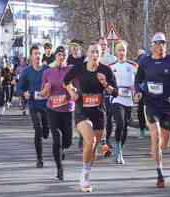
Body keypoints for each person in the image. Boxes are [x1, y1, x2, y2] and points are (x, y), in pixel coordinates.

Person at [135, 32, 170, 188]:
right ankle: (159, 173)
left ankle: (157, 150)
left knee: (164, 144)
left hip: (167, 106)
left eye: (163, 43)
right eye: (157, 43)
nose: (160, 46)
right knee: (155, 136)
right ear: (152, 45)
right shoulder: (145, 62)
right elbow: (138, 80)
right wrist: (138, 91)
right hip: (150, 103)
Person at [63, 43, 117, 192]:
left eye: (97, 52)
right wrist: (72, 91)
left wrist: (105, 83)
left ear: (101, 54)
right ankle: (85, 174)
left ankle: (87, 170)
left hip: (99, 112)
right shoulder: (79, 68)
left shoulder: (106, 70)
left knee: (93, 148)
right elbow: (65, 81)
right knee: (90, 140)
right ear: (88, 53)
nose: (95, 55)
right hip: (82, 110)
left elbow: (115, 92)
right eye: (92, 52)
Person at [41, 46, 74, 180]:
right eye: (59, 55)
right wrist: (46, 89)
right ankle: (60, 170)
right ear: (56, 57)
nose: (61, 57)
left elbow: (78, 89)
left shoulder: (72, 70)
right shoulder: (48, 72)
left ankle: (63, 149)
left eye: (64, 55)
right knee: (57, 139)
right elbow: (43, 94)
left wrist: (72, 89)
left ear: (66, 56)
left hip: (67, 109)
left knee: (67, 141)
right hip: (52, 109)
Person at [16, 45, 50, 168]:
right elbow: (18, 88)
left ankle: (46, 130)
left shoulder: (47, 70)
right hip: (33, 104)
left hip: (46, 105)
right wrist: (23, 93)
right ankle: (39, 159)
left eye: (39, 53)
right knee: (38, 129)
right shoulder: (26, 72)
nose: (38, 56)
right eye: (35, 53)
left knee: (45, 131)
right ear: (31, 56)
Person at [109, 40, 137, 164]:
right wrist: (110, 89)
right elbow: (107, 83)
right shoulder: (111, 67)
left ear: (126, 52)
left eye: (123, 50)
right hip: (116, 99)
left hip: (128, 100)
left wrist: (136, 89)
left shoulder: (132, 66)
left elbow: (139, 81)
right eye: (119, 50)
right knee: (119, 123)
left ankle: (120, 147)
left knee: (125, 126)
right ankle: (117, 148)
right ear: (116, 52)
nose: (121, 53)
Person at [97, 37, 117, 153]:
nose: (103, 46)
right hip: (95, 92)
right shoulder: (93, 58)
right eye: (101, 44)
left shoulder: (112, 59)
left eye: (105, 44)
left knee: (109, 117)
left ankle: (107, 139)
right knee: (97, 117)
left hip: (107, 91)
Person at [136, 48, 148, 139]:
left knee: (141, 110)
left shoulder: (149, 61)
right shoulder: (135, 63)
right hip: (143, 89)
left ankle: (142, 129)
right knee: (141, 110)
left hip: (148, 89)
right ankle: (142, 129)